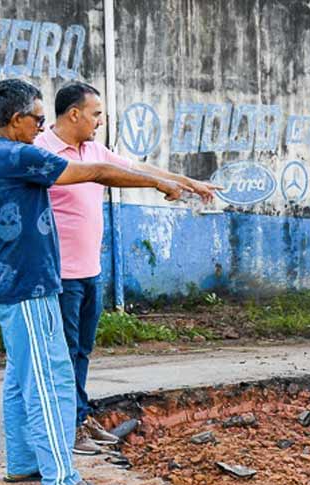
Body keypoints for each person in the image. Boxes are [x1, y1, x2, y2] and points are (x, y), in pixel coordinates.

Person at [0, 79, 184, 485]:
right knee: (50, 378)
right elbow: (97, 172)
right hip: (29, 285)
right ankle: (60, 477)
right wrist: (159, 185)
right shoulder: (19, 155)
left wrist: (1, 269)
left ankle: (23, 463)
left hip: (11, 283)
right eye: (37, 120)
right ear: (16, 120)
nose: (40, 128)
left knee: (20, 377)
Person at [34, 83, 219, 455]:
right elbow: (105, 173)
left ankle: (80, 418)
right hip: (60, 273)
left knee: (82, 349)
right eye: (96, 114)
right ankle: (65, 429)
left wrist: (188, 182)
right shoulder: (42, 151)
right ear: (74, 114)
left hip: (90, 271)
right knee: (65, 352)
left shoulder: (93, 148)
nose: (100, 121)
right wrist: (159, 185)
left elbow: (136, 167)